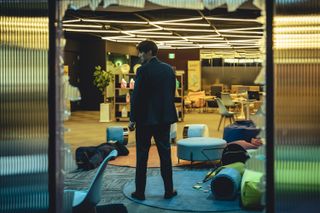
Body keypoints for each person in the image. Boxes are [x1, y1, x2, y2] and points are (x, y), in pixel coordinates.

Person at [129, 40, 178, 200]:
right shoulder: (169, 70)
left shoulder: (142, 71)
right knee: (165, 156)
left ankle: (140, 192)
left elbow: (137, 97)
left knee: (142, 157)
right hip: (163, 120)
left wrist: (132, 119)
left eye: (141, 52)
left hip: (144, 121)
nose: (139, 56)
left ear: (149, 52)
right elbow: (171, 94)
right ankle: (169, 191)